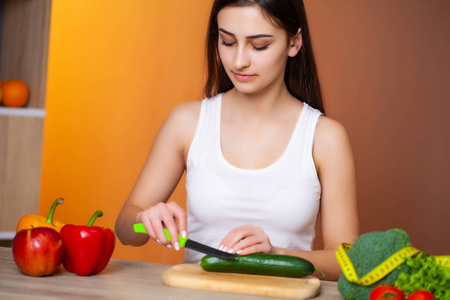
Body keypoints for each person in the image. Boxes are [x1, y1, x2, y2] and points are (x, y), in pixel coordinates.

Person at [115, 0, 359, 281]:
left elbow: (348, 261)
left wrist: (275, 254)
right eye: (228, 41)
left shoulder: (325, 137)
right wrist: (142, 220)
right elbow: (124, 228)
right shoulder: (187, 123)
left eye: (259, 46)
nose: (239, 60)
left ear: (294, 43)